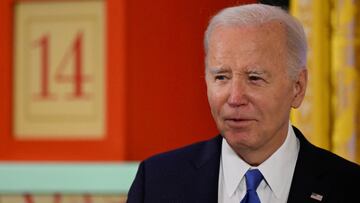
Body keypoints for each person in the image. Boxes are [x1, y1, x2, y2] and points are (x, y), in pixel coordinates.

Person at [127, 3, 360, 203]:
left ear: (297, 87)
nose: (235, 98)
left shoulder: (349, 188)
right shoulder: (157, 183)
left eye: (254, 78)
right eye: (221, 77)